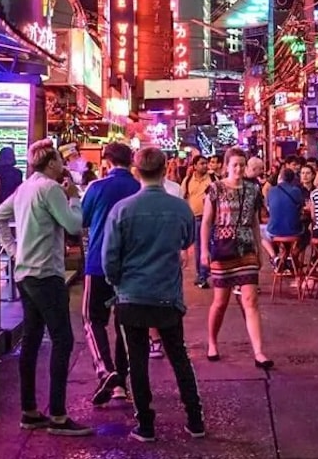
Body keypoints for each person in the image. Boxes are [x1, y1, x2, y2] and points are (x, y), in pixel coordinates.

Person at [103, 147, 205, 443]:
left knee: (137, 361)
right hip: (167, 295)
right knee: (178, 356)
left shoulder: (122, 210)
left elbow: (110, 257)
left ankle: (146, 425)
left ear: (137, 171)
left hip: (131, 296)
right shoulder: (181, 208)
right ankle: (195, 419)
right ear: (165, 171)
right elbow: (187, 240)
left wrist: (117, 282)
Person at [0, 139, 92, 436]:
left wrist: (13, 251)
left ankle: (29, 410)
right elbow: (74, 225)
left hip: (26, 273)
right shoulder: (49, 188)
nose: (64, 165)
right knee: (63, 340)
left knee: (33, 340)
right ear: (50, 164)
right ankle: (58, 415)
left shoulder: (25, 188)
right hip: (46, 274)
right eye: (60, 161)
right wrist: (73, 198)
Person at [79, 143, 140, 407]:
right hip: (131, 266)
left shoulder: (97, 187)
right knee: (124, 323)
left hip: (99, 263)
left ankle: (106, 371)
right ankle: (121, 385)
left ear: (107, 161)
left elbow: (81, 220)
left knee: (93, 319)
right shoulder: (139, 188)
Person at [201, 148, 271, 368]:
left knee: (250, 300)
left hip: (246, 249)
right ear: (226, 166)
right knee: (220, 302)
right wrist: (204, 250)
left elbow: (254, 223)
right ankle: (212, 342)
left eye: (242, 164)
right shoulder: (215, 189)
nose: (239, 169)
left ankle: (259, 351)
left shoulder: (253, 190)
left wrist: (260, 251)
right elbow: (206, 222)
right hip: (222, 249)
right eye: (235, 165)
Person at [260, 168, 307, 268]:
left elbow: (269, 209)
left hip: (274, 230)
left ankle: (274, 257)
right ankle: (293, 254)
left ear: (279, 177)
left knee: (260, 232)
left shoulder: (271, 191)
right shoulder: (296, 191)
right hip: (294, 230)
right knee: (307, 233)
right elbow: (301, 208)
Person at [181, 156, 214, 290]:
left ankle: (203, 274)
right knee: (197, 247)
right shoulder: (188, 180)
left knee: (207, 246)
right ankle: (200, 273)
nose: (205, 166)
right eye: (202, 164)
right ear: (194, 165)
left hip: (209, 219)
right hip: (194, 218)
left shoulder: (212, 179)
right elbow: (183, 197)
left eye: (206, 163)